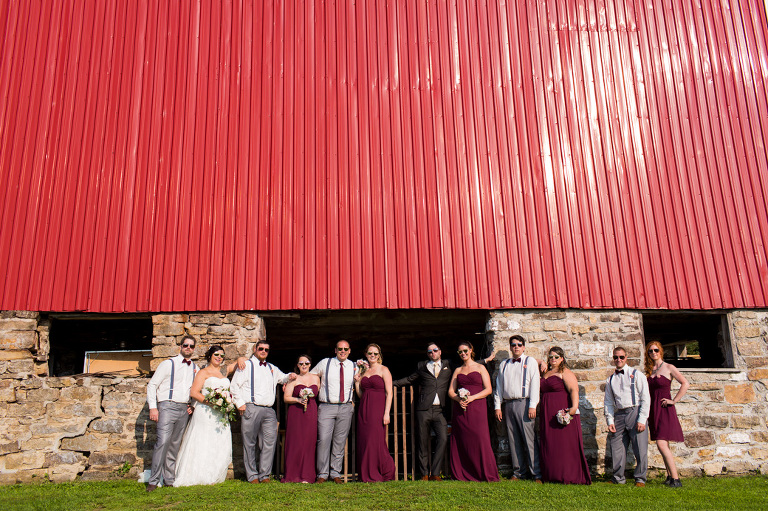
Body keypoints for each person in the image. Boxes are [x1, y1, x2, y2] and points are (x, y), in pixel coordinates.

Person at [173, 345, 243, 486]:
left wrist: (241, 358)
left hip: (220, 413)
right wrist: (211, 403)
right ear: (210, 356)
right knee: (203, 440)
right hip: (205, 411)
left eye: (222, 355)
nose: (219, 357)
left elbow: (243, 361)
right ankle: (197, 474)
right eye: (216, 354)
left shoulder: (224, 371)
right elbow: (194, 392)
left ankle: (212, 473)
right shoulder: (203, 372)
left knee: (217, 440)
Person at [230, 340, 295, 483]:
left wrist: (290, 376)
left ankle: (264, 475)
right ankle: (252, 475)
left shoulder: (271, 367)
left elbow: (282, 377)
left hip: (269, 410)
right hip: (251, 407)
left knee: (269, 442)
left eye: (266, 349)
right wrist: (240, 403)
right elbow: (234, 386)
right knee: (250, 443)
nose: (263, 351)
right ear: (255, 349)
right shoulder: (245, 365)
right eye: (261, 348)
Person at [393, 342, 451, 481]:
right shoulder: (422, 366)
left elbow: (466, 366)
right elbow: (409, 379)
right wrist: (389, 383)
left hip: (440, 410)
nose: (433, 353)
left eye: (435, 350)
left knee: (443, 438)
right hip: (423, 409)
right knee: (422, 441)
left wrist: (485, 360)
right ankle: (424, 473)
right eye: (430, 351)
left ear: (440, 351)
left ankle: (435, 473)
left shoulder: (449, 365)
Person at [145, 336, 197, 491]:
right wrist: (153, 408)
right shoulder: (168, 364)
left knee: (175, 445)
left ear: (194, 349)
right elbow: (152, 385)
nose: (188, 348)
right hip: (167, 406)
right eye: (186, 345)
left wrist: (193, 405)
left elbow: (198, 390)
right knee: (162, 442)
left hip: (183, 408)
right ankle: (153, 481)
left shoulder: (195, 368)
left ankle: (169, 479)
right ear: (180, 346)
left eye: (191, 346)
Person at [538, 347, 591, 485]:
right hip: (547, 412)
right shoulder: (545, 373)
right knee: (550, 442)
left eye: (556, 357)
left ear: (562, 358)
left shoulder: (565, 372)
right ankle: (551, 474)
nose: (553, 359)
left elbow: (574, 390)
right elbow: (532, 361)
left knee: (564, 443)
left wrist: (573, 408)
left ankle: (568, 474)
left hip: (561, 410)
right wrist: (540, 361)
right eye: (550, 357)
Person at [447, 341, 499, 482]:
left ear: (471, 350)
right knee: (462, 439)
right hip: (461, 409)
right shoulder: (457, 370)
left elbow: (488, 389)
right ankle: (463, 472)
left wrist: (472, 398)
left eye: (465, 351)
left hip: (477, 407)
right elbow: (451, 391)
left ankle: (483, 472)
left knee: (480, 438)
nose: (463, 354)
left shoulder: (481, 367)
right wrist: (459, 400)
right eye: (460, 352)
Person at [493, 335, 541, 482]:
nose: (516, 347)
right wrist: (497, 406)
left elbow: (535, 384)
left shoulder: (530, 361)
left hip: (524, 403)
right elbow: (499, 387)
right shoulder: (504, 364)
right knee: (513, 440)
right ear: (510, 347)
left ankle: (536, 474)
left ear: (524, 347)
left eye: (519, 344)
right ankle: (518, 473)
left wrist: (533, 405)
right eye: (513, 345)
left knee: (529, 440)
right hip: (508, 405)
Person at [311, 340, 358, 484]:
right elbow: (311, 375)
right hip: (327, 406)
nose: (342, 351)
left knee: (339, 441)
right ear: (335, 350)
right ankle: (322, 474)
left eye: (345, 349)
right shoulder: (325, 363)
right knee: (323, 440)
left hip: (345, 407)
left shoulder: (355, 366)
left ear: (349, 351)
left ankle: (335, 473)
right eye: (340, 349)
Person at [604, 346, 650, 487]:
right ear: (613, 359)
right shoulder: (610, 380)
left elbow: (645, 398)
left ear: (626, 358)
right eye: (616, 357)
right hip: (619, 414)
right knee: (616, 447)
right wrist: (610, 420)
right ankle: (618, 478)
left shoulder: (637, 375)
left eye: (621, 357)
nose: (619, 360)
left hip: (634, 412)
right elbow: (608, 402)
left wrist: (642, 419)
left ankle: (640, 478)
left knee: (640, 448)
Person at [645, 341, 689, 488]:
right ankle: (669, 476)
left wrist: (674, 400)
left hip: (664, 408)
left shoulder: (669, 367)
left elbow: (685, 383)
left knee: (661, 443)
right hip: (653, 409)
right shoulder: (650, 370)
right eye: (650, 351)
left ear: (661, 351)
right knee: (661, 444)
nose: (653, 353)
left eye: (656, 350)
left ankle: (676, 479)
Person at [354, 343, 396, 482]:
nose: (372, 356)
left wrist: (386, 413)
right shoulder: (364, 371)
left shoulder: (384, 370)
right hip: (364, 410)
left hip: (378, 410)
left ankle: (385, 471)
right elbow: (361, 394)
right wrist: (357, 382)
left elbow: (389, 393)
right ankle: (366, 474)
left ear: (379, 356)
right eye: (370, 353)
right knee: (365, 441)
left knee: (376, 441)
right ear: (365, 354)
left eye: (375, 354)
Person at [283, 355, 321, 483]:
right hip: (296, 413)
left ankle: (307, 475)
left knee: (309, 443)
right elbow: (286, 397)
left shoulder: (316, 378)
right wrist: (298, 399)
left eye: (306, 363)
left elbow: (318, 394)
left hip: (311, 412)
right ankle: (293, 475)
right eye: (301, 363)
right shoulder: (294, 378)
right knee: (296, 442)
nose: (304, 365)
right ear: (297, 365)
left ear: (310, 364)